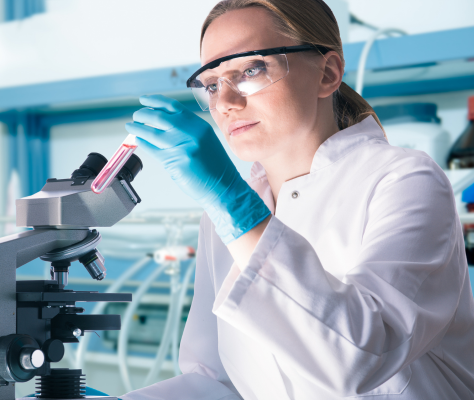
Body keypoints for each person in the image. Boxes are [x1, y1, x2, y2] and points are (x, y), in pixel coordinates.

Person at [121, 0, 474, 399]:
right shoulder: (223, 218)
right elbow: (217, 381)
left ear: (328, 73)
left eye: (251, 70)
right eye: (212, 83)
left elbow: (360, 357)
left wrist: (233, 207)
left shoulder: (405, 180)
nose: (225, 103)